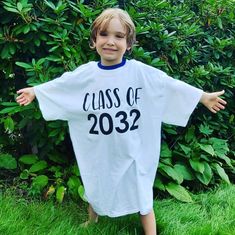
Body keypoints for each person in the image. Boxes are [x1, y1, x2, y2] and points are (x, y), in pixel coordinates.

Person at [16, 8, 226, 235]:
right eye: (104, 34)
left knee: (141, 189)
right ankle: (93, 220)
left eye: (119, 36)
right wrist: (36, 91)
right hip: (99, 147)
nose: (110, 42)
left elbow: (167, 85)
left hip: (133, 147)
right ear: (94, 39)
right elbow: (62, 85)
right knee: (96, 180)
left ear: (129, 43)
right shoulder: (85, 74)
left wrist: (201, 96)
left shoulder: (139, 73)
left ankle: (151, 232)